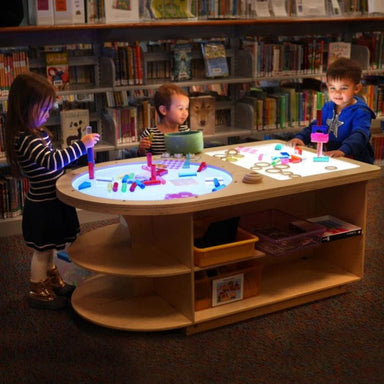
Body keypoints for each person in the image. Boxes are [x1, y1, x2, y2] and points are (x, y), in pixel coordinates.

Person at [5, 72, 100, 310]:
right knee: (42, 250)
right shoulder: (26, 139)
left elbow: (54, 162)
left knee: (51, 246)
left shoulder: (36, 134)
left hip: (51, 201)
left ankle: (50, 277)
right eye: (44, 109)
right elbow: (51, 162)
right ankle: (37, 286)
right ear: (26, 108)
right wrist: (82, 145)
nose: (48, 115)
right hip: (42, 206)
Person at [287, 58, 375, 164]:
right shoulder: (328, 107)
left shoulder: (361, 112)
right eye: (332, 88)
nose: (337, 93)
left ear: (357, 88)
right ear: (327, 87)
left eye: (343, 88)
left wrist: (343, 150)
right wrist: (301, 138)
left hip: (356, 162)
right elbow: (316, 126)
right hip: (332, 158)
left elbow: (360, 135)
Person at [138, 83, 190, 156]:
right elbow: (143, 158)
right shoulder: (150, 133)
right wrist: (141, 149)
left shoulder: (185, 131)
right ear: (164, 110)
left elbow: (190, 155)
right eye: (180, 109)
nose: (185, 113)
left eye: (186, 108)